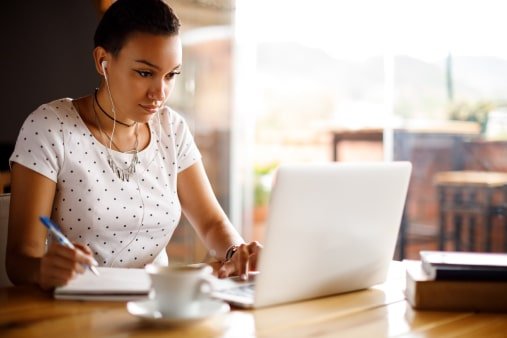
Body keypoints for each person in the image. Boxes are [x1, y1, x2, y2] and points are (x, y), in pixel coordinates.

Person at [6, 0, 261, 290]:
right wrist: (42, 270)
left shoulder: (172, 129)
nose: (160, 93)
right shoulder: (51, 128)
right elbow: (19, 259)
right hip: (79, 312)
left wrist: (237, 253)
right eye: (144, 73)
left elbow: (212, 224)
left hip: (158, 306)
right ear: (103, 61)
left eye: (171, 75)